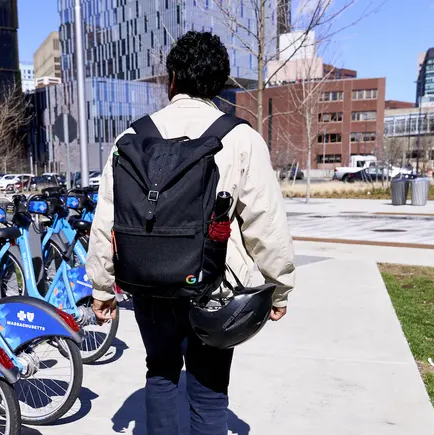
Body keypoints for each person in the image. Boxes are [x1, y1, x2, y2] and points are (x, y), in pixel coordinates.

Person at [86, 31, 295, 435]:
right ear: (220, 83)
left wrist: (102, 287)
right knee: (209, 388)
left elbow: (106, 220)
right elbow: (266, 225)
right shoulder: (240, 138)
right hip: (212, 284)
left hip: (147, 283)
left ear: (172, 78)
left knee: (161, 372)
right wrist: (279, 287)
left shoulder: (131, 137)